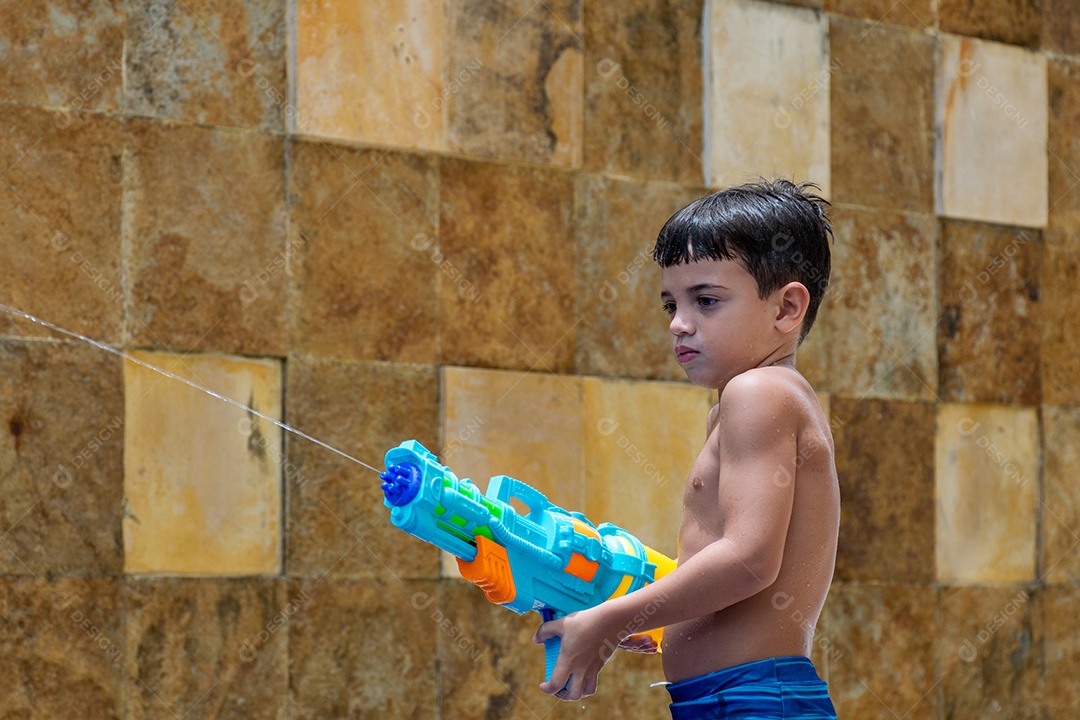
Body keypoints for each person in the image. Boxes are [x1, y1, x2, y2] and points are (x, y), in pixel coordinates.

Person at [534, 179, 840, 719]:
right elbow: (741, 576)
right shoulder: (751, 401)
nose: (679, 323)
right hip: (740, 697)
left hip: (753, 702)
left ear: (787, 308)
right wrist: (663, 618)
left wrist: (612, 619)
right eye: (670, 303)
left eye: (706, 300)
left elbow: (749, 560)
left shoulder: (759, 392)